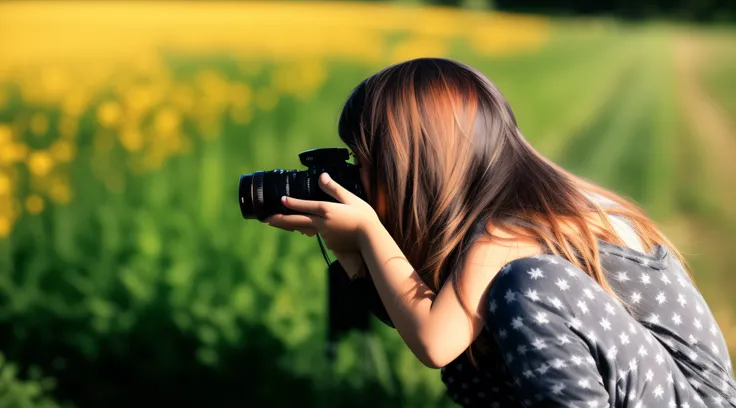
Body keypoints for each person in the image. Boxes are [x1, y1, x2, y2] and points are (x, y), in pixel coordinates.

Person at [265, 58, 736, 407]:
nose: (359, 179)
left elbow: (433, 340)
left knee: (527, 288)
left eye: (367, 165)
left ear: (416, 168)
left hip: (690, 398)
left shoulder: (513, 229)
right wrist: (350, 253)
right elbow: (431, 323)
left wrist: (369, 230)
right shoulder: (511, 210)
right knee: (473, 352)